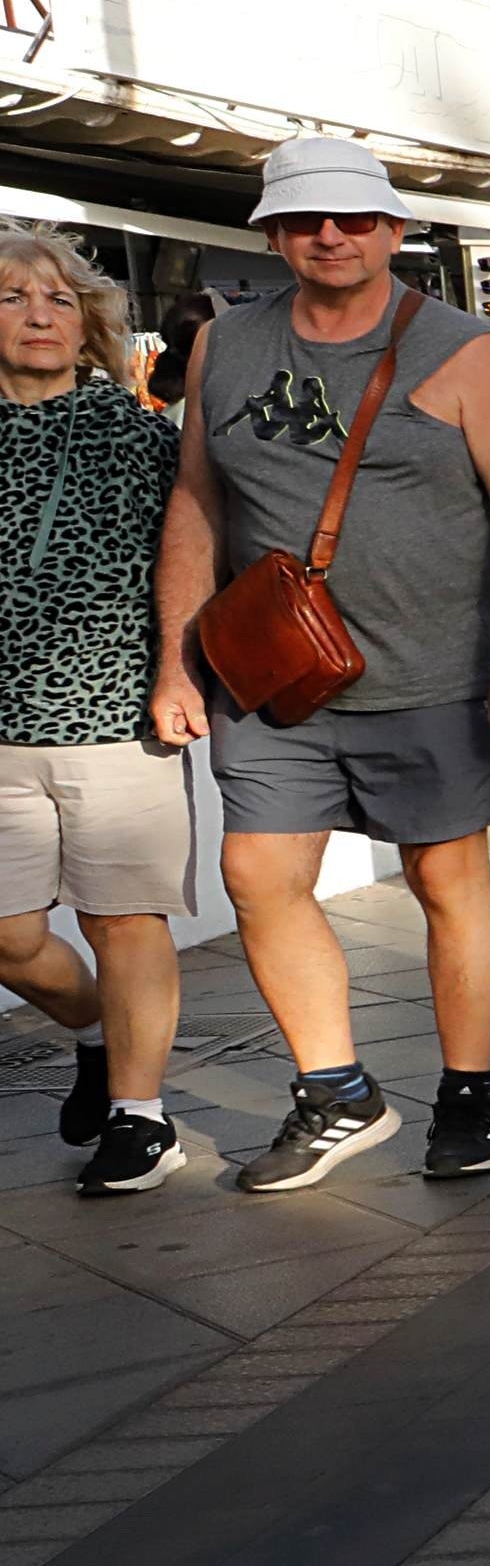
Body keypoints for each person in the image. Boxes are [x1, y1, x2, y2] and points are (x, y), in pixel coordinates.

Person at [152, 136, 490, 1194]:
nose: (330, 235)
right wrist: (177, 661)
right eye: (304, 220)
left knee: (445, 880)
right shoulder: (225, 344)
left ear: (393, 230)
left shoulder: (464, 351)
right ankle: (336, 1093)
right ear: (272, 236)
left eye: (353, 218)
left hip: (433, 673)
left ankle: (467, 1096)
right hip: (273, 677)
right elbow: (197, 502)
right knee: (257, 875)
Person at [0, 232, 190, 1194]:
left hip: (118, 721)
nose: (38, 314)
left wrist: (181, 672)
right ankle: (94, 1033)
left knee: (123, 922)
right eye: (12, 297)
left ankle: (141, 1117)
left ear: (88, 327)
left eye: (59, 300)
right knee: (7, 936)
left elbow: (193, 565)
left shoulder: (141, 434)